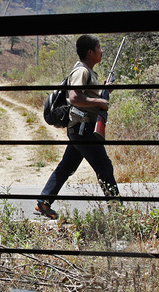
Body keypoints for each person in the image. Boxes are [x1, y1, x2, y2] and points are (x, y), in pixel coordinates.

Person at [35, 34, 120, 220]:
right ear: (90, 52)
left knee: (66, 167)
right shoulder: (82, 71)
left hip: (79, 130)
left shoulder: (87, 70)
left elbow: (85, 94)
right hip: (84, 130)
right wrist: (99, 100)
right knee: (104, 168)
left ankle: (44, 202)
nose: (102, 51)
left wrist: (104, 90)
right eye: (99, 48)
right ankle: (117, 212)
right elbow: (74, 98)